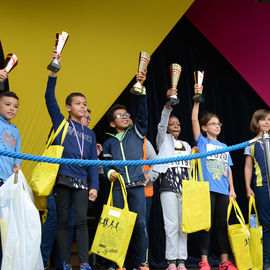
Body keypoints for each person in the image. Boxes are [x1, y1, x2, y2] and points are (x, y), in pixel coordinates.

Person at [45, 50, 99, 270]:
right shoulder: (61, 123)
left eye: (85, 104)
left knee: (81, 221)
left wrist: (94, 185)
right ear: (68, 108)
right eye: (78, 103)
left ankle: (84, 263)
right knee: (63, 221)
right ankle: (65, 262)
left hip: (81, 181)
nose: (83, 107)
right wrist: (53, 74)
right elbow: (49, 98)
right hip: (62, 178)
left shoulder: (90, 133)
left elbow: (94, 164)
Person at [102, 68, 149, 270]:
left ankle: (143, 262)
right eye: (119, 115)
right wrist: (109, 173)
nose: (124, 117)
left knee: (140, 225)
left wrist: (142, 92)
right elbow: (105, 165)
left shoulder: (137, 133)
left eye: (126, 114)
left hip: (137, 186)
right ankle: (116, 263)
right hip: (119, 188)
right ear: (113, 123)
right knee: (118, 226)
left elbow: (143, 114)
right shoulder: (108, 143)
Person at [191, 84, 237, 270]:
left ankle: (225, 260)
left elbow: (229, 169)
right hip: (206, 188)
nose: (217, 126)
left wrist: (232, 189)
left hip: (223, 190)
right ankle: (204, 260)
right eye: (213, 123)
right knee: (206, 224)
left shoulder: (224, 145)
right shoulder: (202, 141)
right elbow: (193, 118)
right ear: (204, 127)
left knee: (222, 224)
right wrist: (197, 98)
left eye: (219, 124)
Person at [152, 88, 192, 270]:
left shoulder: (187, 145)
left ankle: (182, 260)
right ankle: (171, 262)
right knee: (171, 224)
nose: (175, 126)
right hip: (168, 186)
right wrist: (168, 106)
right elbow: (161, 125)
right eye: (172, 124)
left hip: (186, 187)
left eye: (178, 124)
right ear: (167, 127)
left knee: (184, 224)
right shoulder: (163, 140)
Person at [244, 109, 270, 270]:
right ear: (257, 122)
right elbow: (248, 168)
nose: (267, 122)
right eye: (263, 120)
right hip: (262, 187)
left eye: (269, 120)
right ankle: (267, 260)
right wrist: (248, 187)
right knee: (266, 224)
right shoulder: (251, 143)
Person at [0, 90, 21, 265]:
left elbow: (17, 153)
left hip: (6, 182)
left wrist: (17, 163)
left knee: (3, 224)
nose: (12, 109)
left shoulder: (15, 130)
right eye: (7, 104)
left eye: (15, 106)